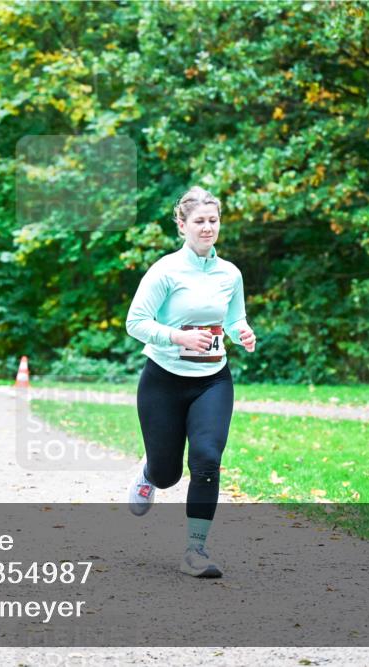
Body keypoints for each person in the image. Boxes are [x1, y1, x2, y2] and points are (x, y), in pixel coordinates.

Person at [124, 186, 257, 578]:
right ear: (182, 225)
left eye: (213, 220)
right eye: (199, 221)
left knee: (206, 461)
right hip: (163, 380)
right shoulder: (165, 271)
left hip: (212, 380)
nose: (207, 227)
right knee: (168, 474)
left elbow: (234, 319)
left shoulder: (229, 273)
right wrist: (176, 336)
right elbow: (136, 323)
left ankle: (195, 551)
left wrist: (242, 332)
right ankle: (150, 472)